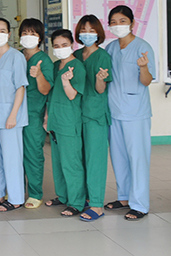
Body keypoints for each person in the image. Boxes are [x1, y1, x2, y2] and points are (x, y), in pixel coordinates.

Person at [104, 5, 155, 221]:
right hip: (114, 111)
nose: (118, 26)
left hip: (135, 112)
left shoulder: (143, 47)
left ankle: (140, 204)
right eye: (113, 22)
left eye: (122, 21)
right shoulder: (110, 48)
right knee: (119, 157)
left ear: (132, 23)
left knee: (138, 158)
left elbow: (147, 81)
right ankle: (124, 197)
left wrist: (143, 67)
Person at [0, 18, 28, 212]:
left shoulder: (16, 57)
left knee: (12, 159)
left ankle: (16, 198)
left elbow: (20, 88)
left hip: (10, 116)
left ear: (9, 33)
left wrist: (13, 115)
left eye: (2, 30)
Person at [73, 15, 112, 221]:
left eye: (91, 30)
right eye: (83, 30)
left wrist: (99, 79)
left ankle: (97, 205)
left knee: (95, 160)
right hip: (77, 114)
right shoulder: (76, 55)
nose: (86, 34)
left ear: (98, 33)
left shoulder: (102, 57)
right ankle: (85, 198)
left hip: (95, 115)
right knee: (80, 159)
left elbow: (100, 90)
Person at [44, 29, 87, 217]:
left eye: (64, 45)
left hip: (70, 122)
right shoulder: (55, 66)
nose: (60, 49)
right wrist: (47, 118)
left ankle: (77, 202)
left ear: (72, 45)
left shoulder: (76, 67)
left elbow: (71, 95)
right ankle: (63, 196)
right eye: (56, 46)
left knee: (72, 164)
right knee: (59, 163)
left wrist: (66, 81)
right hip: (55, 121)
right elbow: (51, 95)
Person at [19, 18, 53, 209]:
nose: (28, 37)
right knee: (15, 154)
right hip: (14, 112)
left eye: (33, 33)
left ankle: (34, 193)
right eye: (25, 33)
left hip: (33, 114)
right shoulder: (16, 56)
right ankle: (16, 189)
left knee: (32, 154)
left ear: (40, 37)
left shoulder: (44, 60)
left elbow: (46, 89)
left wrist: (38, 74)